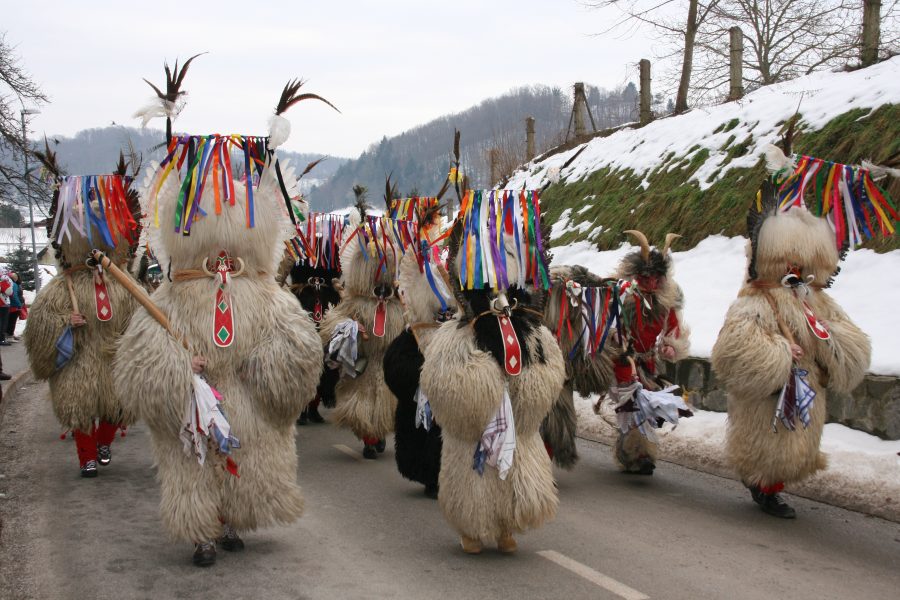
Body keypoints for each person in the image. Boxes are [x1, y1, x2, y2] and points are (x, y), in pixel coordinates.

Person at [114, 76, 327, 567]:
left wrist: (265, 364)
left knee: (246, 460)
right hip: (193, 402)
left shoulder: (267, 293)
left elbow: (298, 346)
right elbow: (138, 362)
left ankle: (233, 521)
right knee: (193, 464)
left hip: (247, 399)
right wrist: (180, 367)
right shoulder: (169, 296)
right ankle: (201, 533)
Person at [711, 181, 870, 518]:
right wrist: (780, 352)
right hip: (773, 393)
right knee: (768, 445)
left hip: (806, 391)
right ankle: (763, 487)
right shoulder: (756, 300)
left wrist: (831, 341)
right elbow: (734, 348)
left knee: (796, 444)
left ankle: (771, 485)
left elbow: (850, 337)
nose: (797, 270)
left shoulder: (818, 301)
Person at [420, 190, 565, 554]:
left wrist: (527, 389)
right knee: (472, 468)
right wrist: (481, 386)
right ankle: (471, 526)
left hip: (519, 428)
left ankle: (506, 525)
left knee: (517, 466)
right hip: (473, 435)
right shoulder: (456, 335)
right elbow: (445, 388)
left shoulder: (532, 330)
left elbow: (550, 374)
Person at [24, 155, 142, 479]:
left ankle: (104, 442)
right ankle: (86, 457)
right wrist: (64, 325)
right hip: (79, 359)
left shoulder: (125, 286)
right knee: (80, 408)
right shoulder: (62, 288)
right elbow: (40, 325)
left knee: (118, 407)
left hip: (112, 358)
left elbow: (139, 320)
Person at [603, 230, 691, 476]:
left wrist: (670, 345)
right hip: (623, 358)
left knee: (647, 405)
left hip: (647, 361)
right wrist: (620, 344)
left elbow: (673, 327)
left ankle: (639, 452)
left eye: (656, 277)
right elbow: (611, 324)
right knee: (631, 405)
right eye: (646, 278)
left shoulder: (664, 301)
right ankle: (634, 453)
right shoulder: (624, 297)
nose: (652, 283)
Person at [6, 272, 24, 340]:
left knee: (10, 321)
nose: (15, 277)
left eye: (16, 276)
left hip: (12, 305)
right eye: (14, 276)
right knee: (12, 321)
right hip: (14, 306)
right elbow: (14, 296)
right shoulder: (14, 285)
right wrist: (19, 304)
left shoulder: (15, 284)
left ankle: (10, 334)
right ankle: (9, 335)